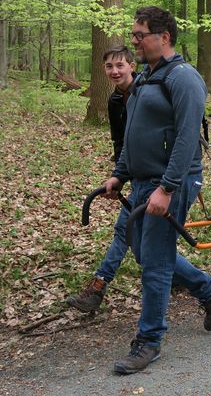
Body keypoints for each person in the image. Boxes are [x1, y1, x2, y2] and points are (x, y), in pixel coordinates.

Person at [103, 7, 211, 375]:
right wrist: (119, 175)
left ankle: (150, 340)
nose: (135, 41)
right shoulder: (144, 78)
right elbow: (132, 134)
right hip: (143, 181)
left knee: (155, 262)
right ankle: (209, 289)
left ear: (164, 37)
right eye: (135, 34)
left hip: (172, 182)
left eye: (141, 35)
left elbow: (189, 138)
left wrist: (168, 188)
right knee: (144, 252)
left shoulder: (184, 78)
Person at [66, 46, 138, 313]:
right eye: (109, 66)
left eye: (120, 65)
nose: (115, 71)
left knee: (128, 232)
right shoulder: (114, 100)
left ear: (132, 65)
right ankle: (202, 285)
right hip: (136, 173)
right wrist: (119, 175)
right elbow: (121, 142)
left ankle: (98, 286)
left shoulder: (146, 93)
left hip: (161, 176)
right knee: (142, 240)